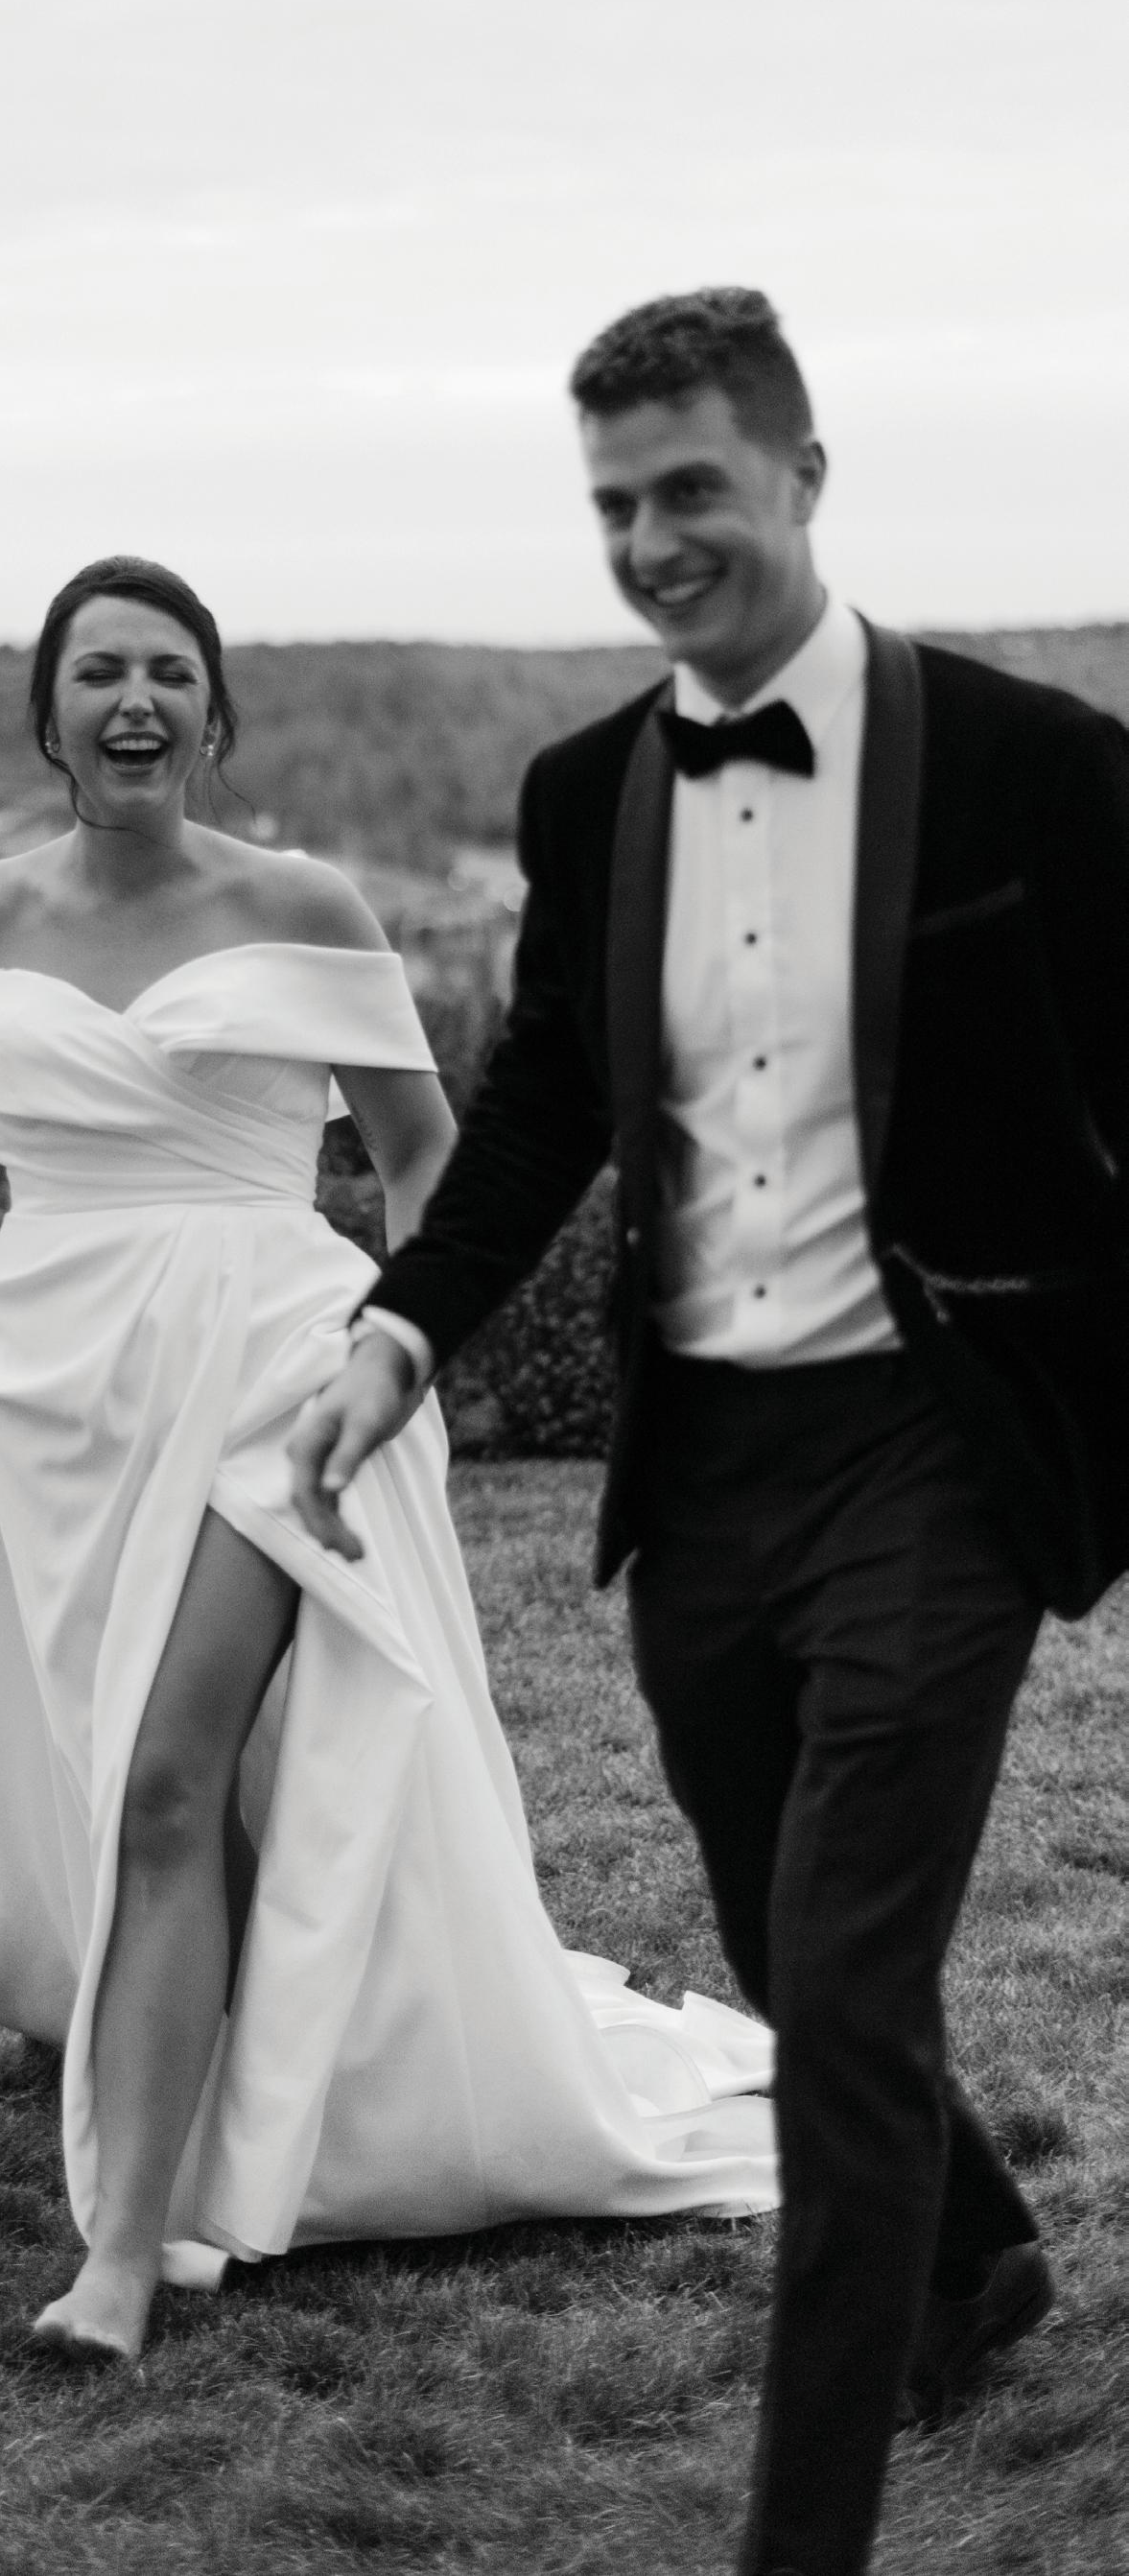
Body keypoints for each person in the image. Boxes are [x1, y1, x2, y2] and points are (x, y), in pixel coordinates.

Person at [290, 287, 1129, 2576]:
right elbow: (549, 1096)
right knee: (783, 1938)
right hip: (710, 1469)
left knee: (842, 1988)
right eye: (612, 504)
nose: (652, 540)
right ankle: (974, 2240)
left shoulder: (1040, 765)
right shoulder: (588, 795)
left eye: (690, 488)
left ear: (802, 476)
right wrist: (398, 1331)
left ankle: (804, 2533)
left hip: (942, 1440)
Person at [0, 552, 775, 2369]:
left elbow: (425, 1156)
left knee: (169, 1778)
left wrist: (398, 1344)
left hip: (279, 1368)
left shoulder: (304, 904)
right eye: (99, 671)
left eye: (169, 672)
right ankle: (232, 2044)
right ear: (48, 716)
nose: (135, 699)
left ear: (214, 712)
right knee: (140, 1780)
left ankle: (123, 2257)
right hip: (60, 1390)